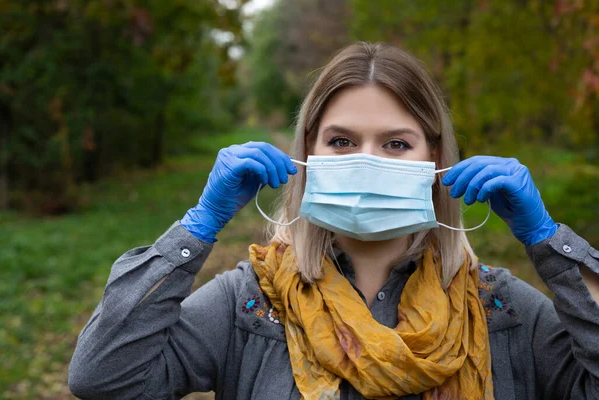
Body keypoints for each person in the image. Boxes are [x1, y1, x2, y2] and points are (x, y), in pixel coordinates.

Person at [68, 43, 599, 400]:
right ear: (308, 154)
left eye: (396, 144)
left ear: (436, 161)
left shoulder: (499, 309)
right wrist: (200, 224)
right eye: (341, 142)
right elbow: (104, 377)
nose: (366, 162)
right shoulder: (250, 304)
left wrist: (547, 240)